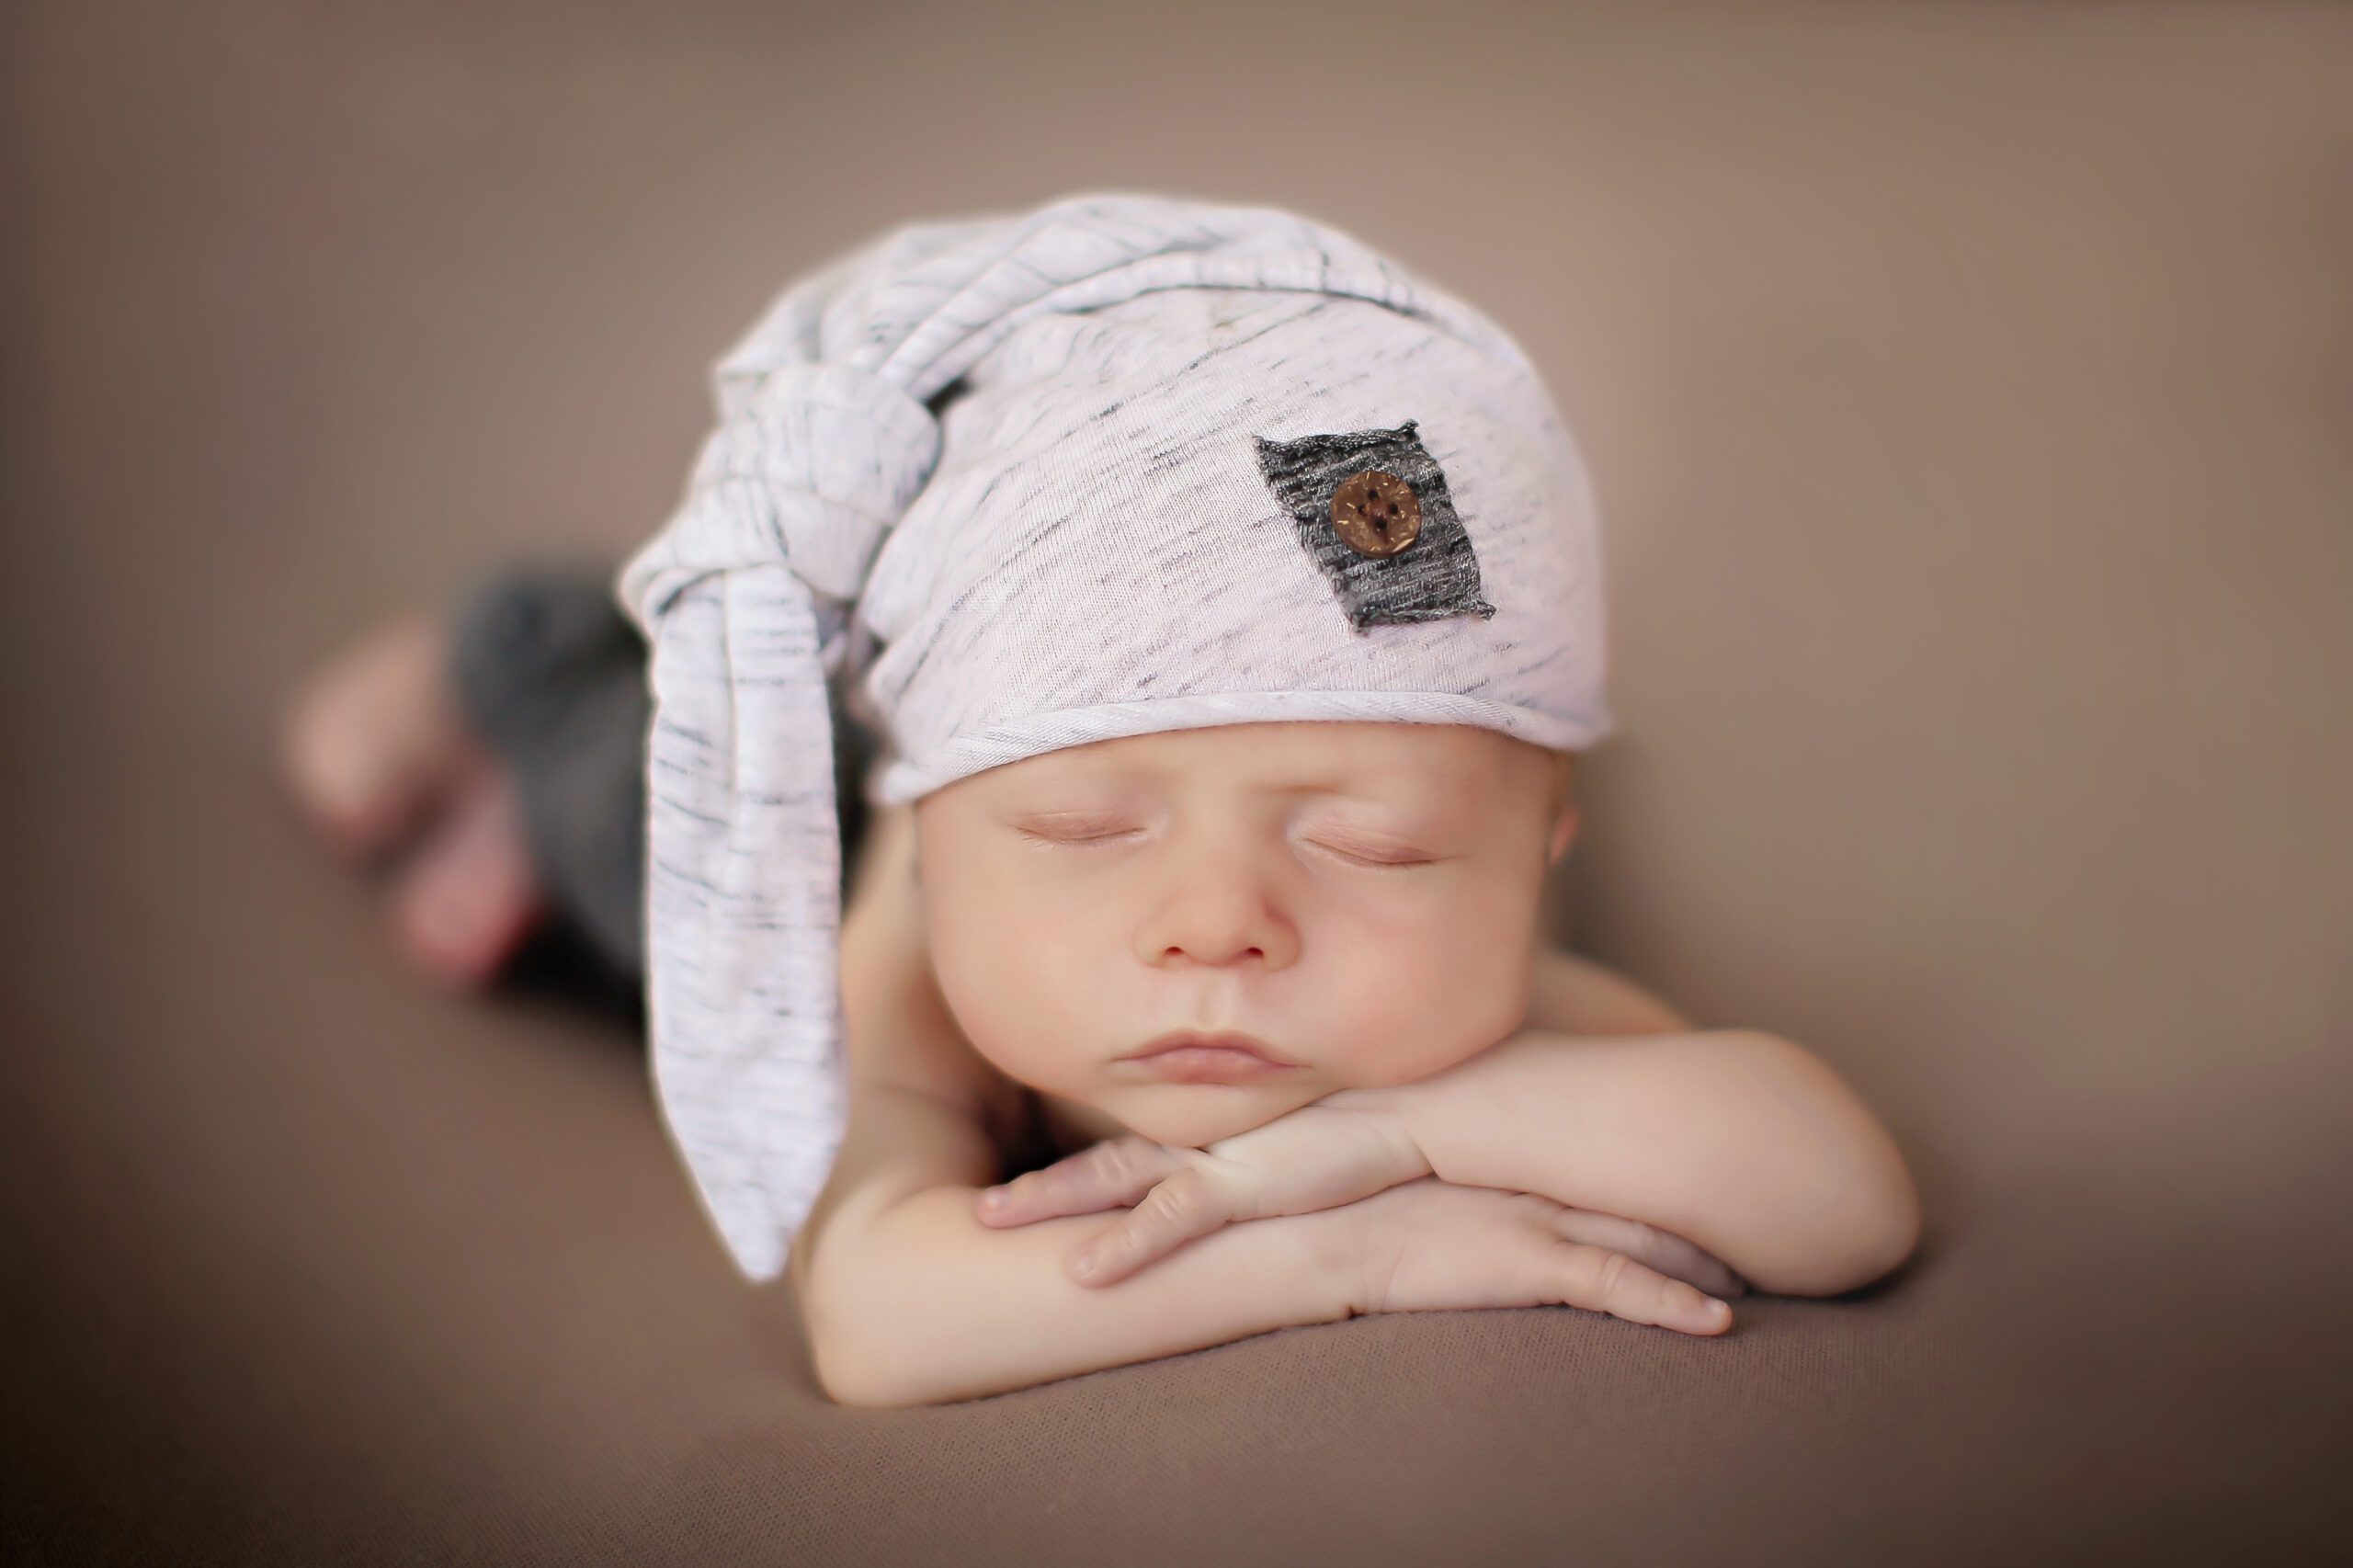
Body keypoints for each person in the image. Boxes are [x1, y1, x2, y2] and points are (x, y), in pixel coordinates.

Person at [281, 192, 1921, 1407]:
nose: (1219, 924)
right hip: (826, 820)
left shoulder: (1461, 1013)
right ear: (946, 847)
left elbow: (1841, 1196)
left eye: (1379, 844)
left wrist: (1390, 1131)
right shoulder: (910, 952)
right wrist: (1360, 1246)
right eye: (1086, 832)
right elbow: (876, 1316)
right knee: (621, 808)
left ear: (1536, 855)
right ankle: (508, 655)